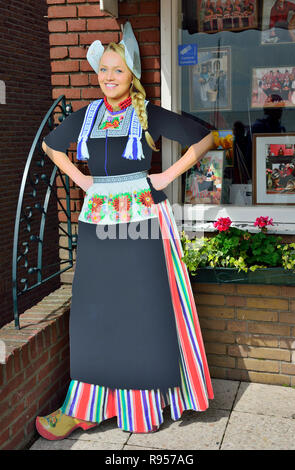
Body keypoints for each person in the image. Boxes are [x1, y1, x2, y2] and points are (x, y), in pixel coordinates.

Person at [35, 22, 215, 440]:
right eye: (104, 70)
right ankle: (87, 406)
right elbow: (50, 146)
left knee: (143, 308)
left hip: (144, 221)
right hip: (99, 220)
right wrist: (80, 180)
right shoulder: (87, 115)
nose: (109, 77)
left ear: (131, 74)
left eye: (117, 70)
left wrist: (165, 176)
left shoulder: (147, 113)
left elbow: (204, 139)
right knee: (95, 309)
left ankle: (143, 407)